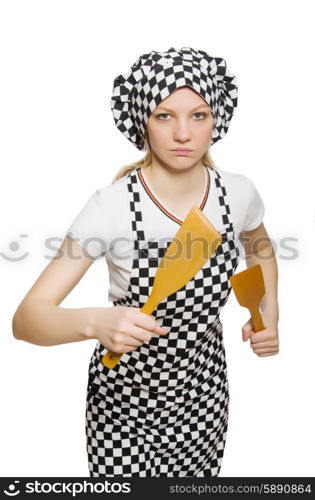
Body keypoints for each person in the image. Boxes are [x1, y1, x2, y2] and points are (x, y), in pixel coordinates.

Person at [12, 46, 279, 477]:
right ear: (143, 122)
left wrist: (269, 312)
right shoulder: (110, 207)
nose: (183, 134)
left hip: (203, 391)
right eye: (164, 116)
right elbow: (26, 320)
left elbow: (260, 247)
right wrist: (96, 323)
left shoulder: (238, 193)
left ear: (217, 121)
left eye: (198, 115)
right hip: (124, 402)